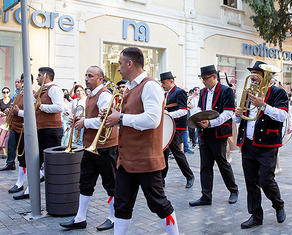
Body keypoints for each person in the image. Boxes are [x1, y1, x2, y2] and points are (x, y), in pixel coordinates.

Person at [104, 47, 179, 235]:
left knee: (158, 204)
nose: (118, 68)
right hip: (126, 159)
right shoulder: (130, 87)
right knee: (121, 204)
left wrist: (120, 118)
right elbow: (131, 120)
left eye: (120, 63)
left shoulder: (150, 86)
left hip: (146, 160)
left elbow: (152, 120)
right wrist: (113, 119)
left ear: (130, 63)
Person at [60, 66, 118, 231]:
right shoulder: (90, 96)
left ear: (100, 79)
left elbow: (104, 120)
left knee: (111, 183)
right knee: (85, 182)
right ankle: (80, 218)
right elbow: (94, 117)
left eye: (90, 76)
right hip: (90, 144)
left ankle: (113, 217)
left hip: (106, 146)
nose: (86, 78)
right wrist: (79, 119)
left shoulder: (105, 95)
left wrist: (83, 122)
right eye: (86, 75)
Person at [233, 61, 287, 229]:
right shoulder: (248, 92)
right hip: (248, 144)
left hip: (267, 145)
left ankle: (278, 204)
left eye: (258, 73)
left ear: (266, 76)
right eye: (253, 73)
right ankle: (255, 215)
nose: (254, 77)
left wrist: (263, 105)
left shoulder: (278, 93)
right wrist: (238, 114)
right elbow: (237, 120)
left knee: (265, 180)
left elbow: (282, 116)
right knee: (250, 182)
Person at [189, 65, 238, 207]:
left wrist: (211, 123)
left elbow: (228, 112)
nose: (203, 82)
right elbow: (199, 107)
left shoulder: (226, 90)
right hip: (204, 133)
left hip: (218, 132)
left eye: (206, 78)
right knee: (205, 166)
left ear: (214, 77)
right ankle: (206, 196)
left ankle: (233, 190)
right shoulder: (203, 92)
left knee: (222, 163)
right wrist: (197, 116)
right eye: (202, 79)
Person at [13, 67, 64, 200]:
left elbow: (59, 107)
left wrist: (41, 106)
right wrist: (19, 112)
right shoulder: (41, 91)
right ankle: (30, 190)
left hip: (52, 130)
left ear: (46, 76)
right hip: (41, 130)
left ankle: (55, 192)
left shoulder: (54, 89)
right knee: (36, 161)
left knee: (50, 162)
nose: (37, 78)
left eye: (39, 75)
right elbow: (33, 112)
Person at [6, 74, 42, 195]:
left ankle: (22, 183)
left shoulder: (32, 94)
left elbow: (33, 113)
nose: (21, 84)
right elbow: (15, 109)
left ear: (30, 82)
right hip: (16, 128)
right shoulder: (19, 94)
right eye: (21, 81)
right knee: (20, 157)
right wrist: (10, 110)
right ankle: (21, 182)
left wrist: (18, 112)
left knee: (24, 158)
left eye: (24, 81)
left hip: (24, 129)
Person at [160, 71, 195, 188]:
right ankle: (162, 179)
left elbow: (184, 111)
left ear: (171, 81)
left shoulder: (179, 92)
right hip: (166, 127)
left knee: (177, 153)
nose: (162, 85)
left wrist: (168, 114)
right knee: (163, 153)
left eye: (164, 83)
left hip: (176, 127)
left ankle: (189, 176)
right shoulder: (166, 94)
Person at [0, 78, 22, 171]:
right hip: (14, 122)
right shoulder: (15, 95)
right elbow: (13, 106)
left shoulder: (28, 93)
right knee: (11, 143)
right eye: (15, 82)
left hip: (21, 123)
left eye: (18, 82)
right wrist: (10, 110)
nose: (16, 84)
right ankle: (10, 163)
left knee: (21, 147)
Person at [0, 87, 12, 155]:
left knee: (9, 135)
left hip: (9, 119)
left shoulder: (11, 101)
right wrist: (1, 113)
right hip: (2, 120)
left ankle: (9, 151)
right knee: (2, 135)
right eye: (4, 92)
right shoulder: (0, 101)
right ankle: (4, 152)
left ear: (9, 93)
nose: (5, 93)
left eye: (7, 92)